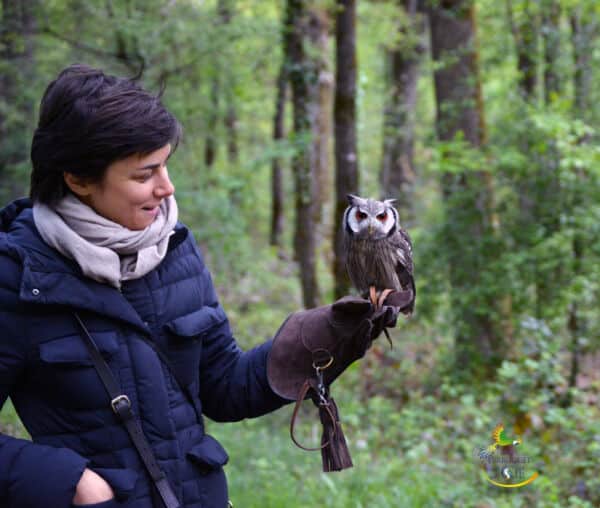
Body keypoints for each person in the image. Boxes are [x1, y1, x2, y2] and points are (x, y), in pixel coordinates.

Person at [0, 64, 405, 508]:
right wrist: (70, 481)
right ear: (77, 179)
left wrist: (327, 333)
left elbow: (225, 388)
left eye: (166, 165)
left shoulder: (174, 251)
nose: (166, 187)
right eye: (143, 175)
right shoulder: (18, 276)